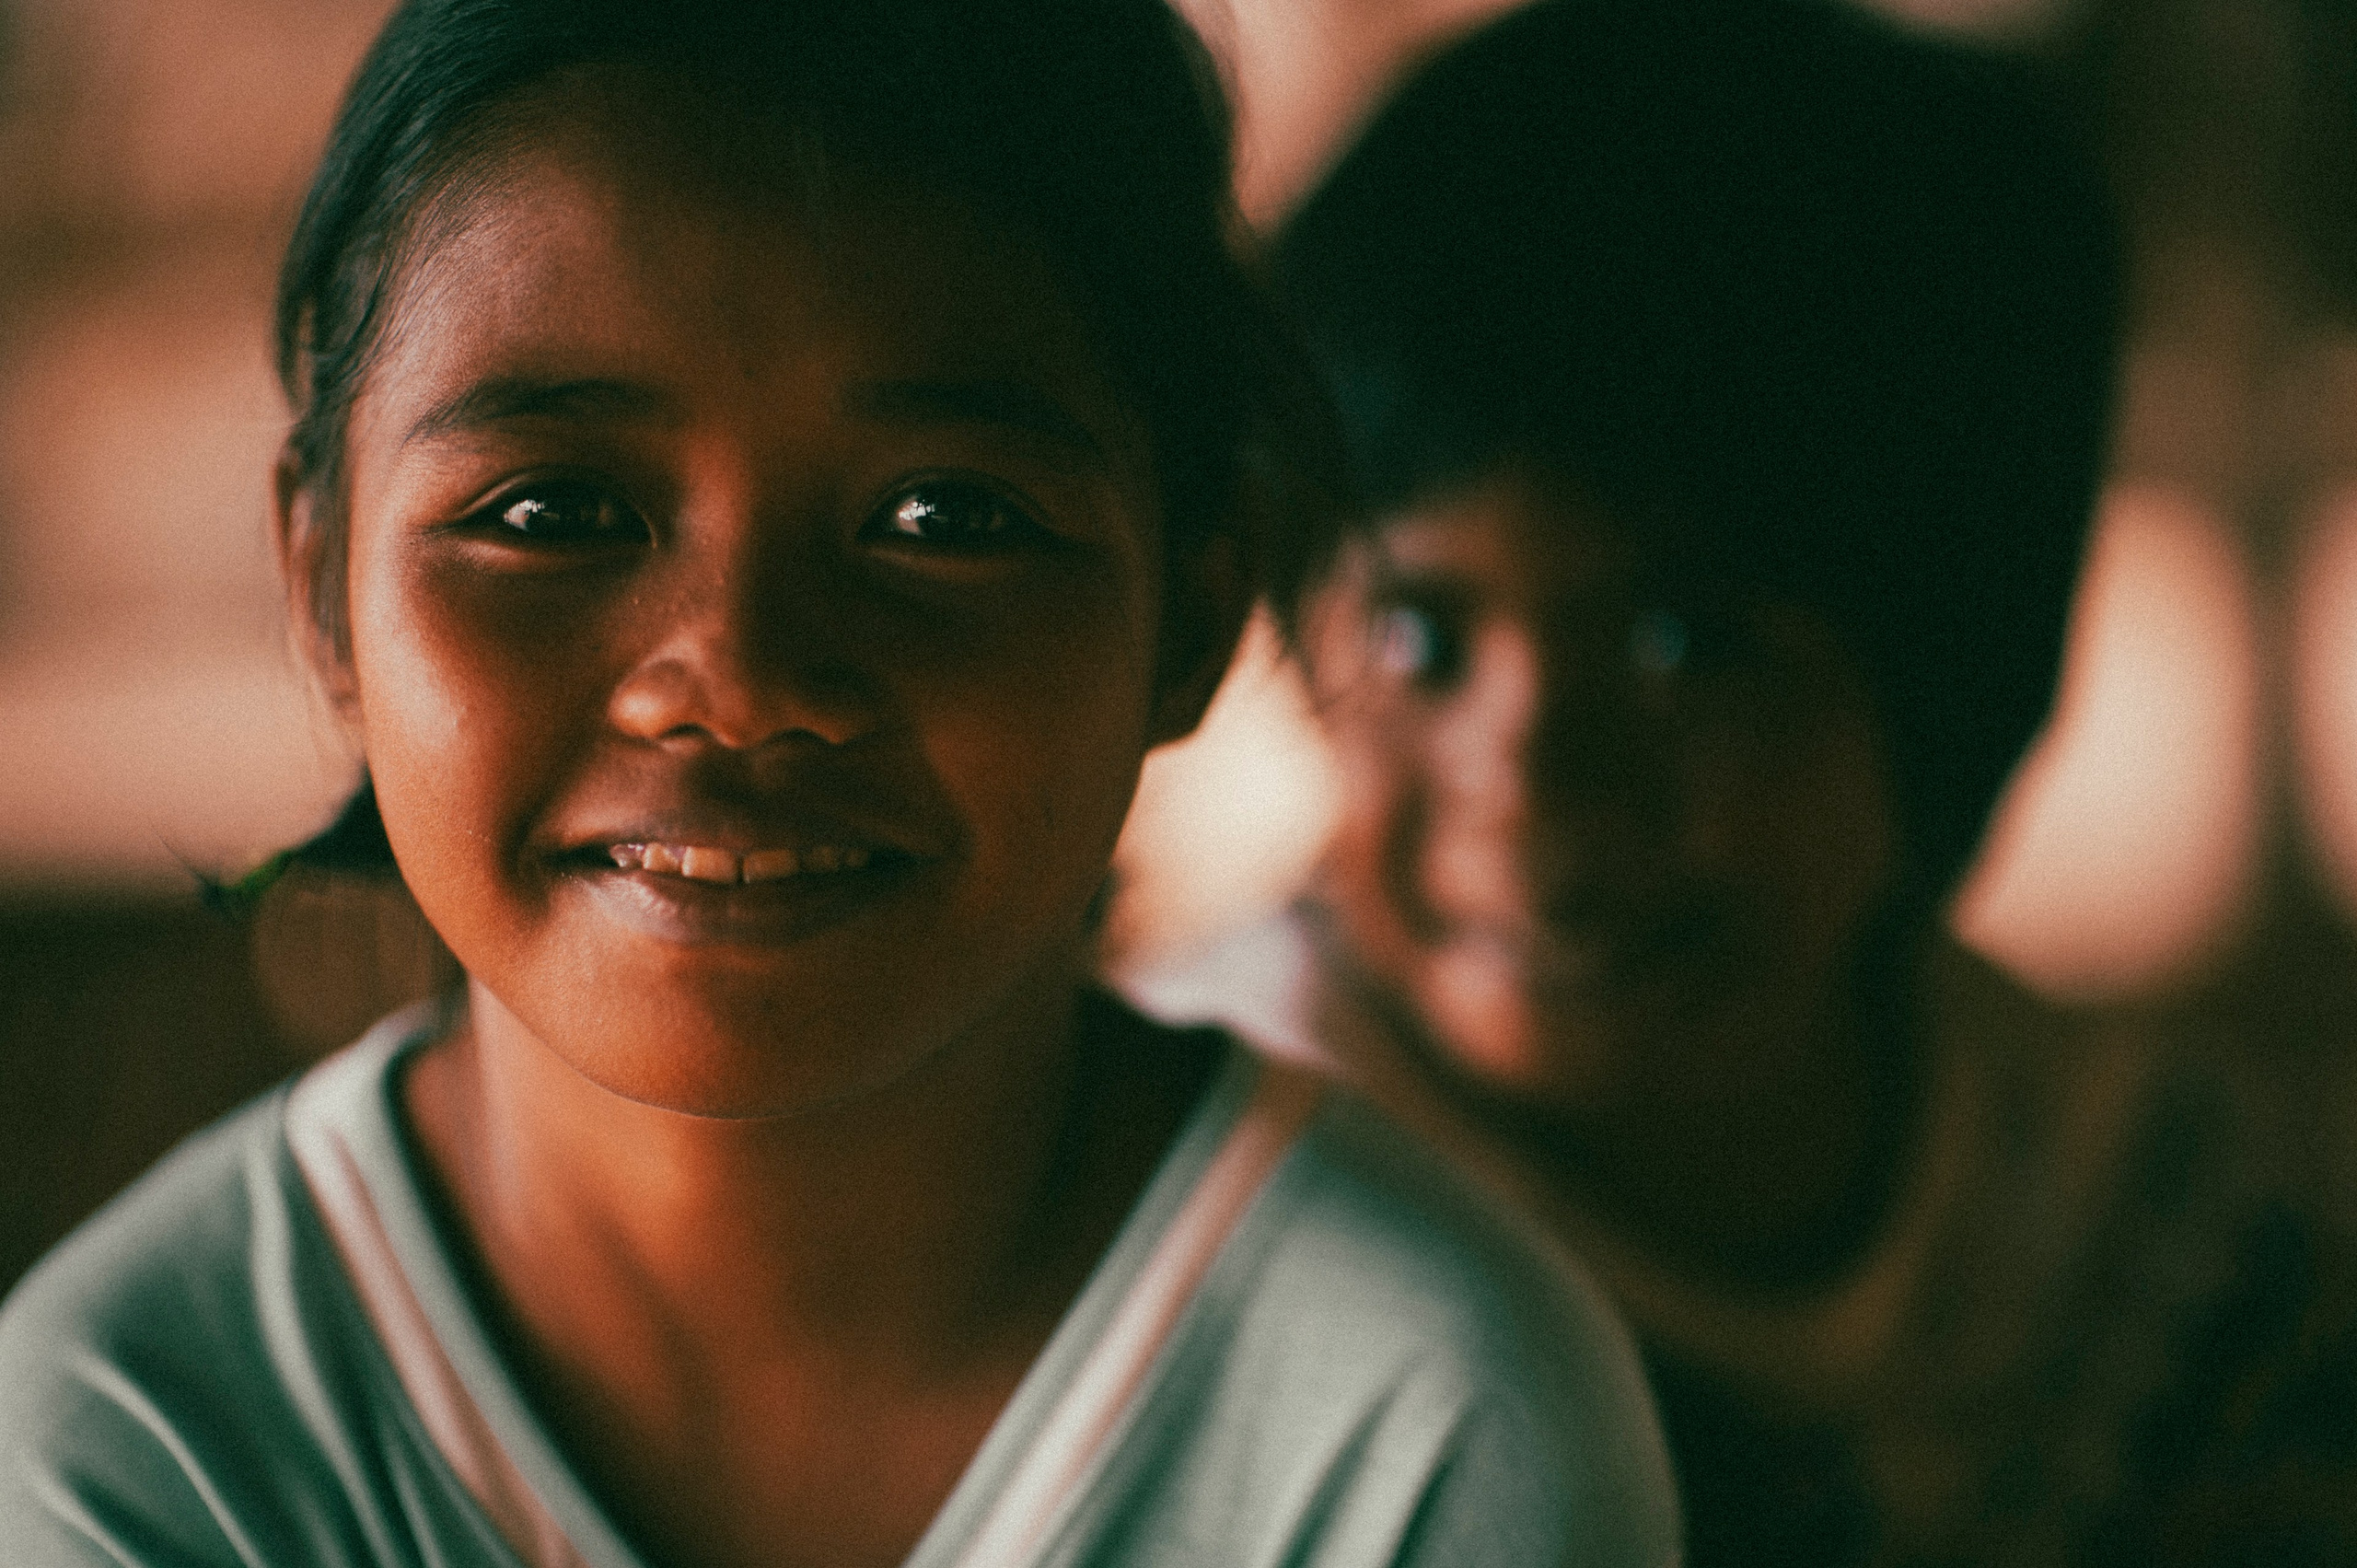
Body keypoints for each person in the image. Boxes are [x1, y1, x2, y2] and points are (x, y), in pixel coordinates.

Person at [0, 3, 1683, 1564]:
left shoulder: (1415, 1416)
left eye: (944, 519)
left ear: (1194, 607)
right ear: (321, 586)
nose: (735, 683)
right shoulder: (146, 1433)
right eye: (552, 513)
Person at [1128, 0, 2357, 1562]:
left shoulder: (2164, 1237)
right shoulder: (1184, 1208)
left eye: (1683, 641)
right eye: (1420, 635)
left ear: (1956, 685)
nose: (1533, 781)